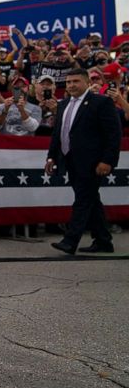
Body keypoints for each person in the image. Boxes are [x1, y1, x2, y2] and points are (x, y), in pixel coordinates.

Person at [46, 68, 122, 254]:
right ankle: (103, 240)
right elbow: (58, 133)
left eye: (76, 81)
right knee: (91, 200)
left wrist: (107, 160)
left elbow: (114, 134)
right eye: (69, 82)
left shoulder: (101, 102)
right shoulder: (63, 104)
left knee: (82, 200)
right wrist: (51, 156)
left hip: (93, 163)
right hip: (70, 160)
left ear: (87, 82)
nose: (71, 85)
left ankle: (70, 241)